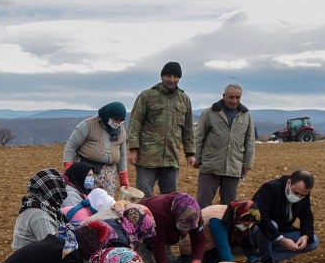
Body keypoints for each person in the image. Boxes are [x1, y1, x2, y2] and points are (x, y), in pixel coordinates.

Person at [128, 61, 195, 195]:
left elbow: (188, 129)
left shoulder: (184, 100)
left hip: (171, 158)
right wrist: (133, 150)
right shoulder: (147, 96)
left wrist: (190, 153)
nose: (172, 79)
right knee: (143, 196)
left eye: (175, 76)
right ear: (162, 76)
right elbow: (135, 124)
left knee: (170, 199)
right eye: (168, 76)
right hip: (147, 157)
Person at [193, 84, 256, 206]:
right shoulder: (209, 113)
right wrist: (197, 158)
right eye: (231, 97)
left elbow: (250, 142)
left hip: (233, 168)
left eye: (238, 97)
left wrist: (247, 164)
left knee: (229, 207)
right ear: (224, 96)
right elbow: (199, 138)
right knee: (202, 204)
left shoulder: (246, 116)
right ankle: (199, 225)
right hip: (210, 167)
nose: (234, 101)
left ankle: (224, 226)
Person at [251, 170, 319, 263]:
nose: (299, 197)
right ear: (289, 182)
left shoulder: (302, 192)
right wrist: (280, 239)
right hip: (260, 229)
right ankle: (266, 258)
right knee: (273, 224)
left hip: (281, 230)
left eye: (303, 195)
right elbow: (260, 216)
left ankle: (262, 258)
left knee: (313, 241)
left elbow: (307, 215)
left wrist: (305, 235)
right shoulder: (270, 188)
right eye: (296, 192)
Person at [141, 191, 207, 263]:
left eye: (188, 229)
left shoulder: (194, 213)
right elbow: (158, 243)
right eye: (182, 228)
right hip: (143, 233)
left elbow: (199, 240)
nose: (185, 232)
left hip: (167, 231)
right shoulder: (159, 212)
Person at [63, 102, 131, 187]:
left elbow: (122, 154)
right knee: (84, 196)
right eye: (115, 119)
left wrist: (123, 176)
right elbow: (71, 146)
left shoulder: (121, 131)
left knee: (105, 199)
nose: (117, 123)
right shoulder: (88, 125)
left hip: (109, 176)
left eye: (121, 120)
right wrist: (68, 168)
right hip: (86, 171)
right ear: (107, 115)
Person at [201, 200, 274, 263]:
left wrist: (255, 260)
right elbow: (222, 245)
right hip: (193, 246)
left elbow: (246, 243)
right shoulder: (218, 218)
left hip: (209, 246)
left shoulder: (237, 218)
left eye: (250, 223)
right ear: (241, 215)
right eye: (246, 223)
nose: (247, 226)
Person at [12, 169, 68, 251]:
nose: (63, 192)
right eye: (61, 188)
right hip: (29, 261)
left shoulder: (43, 207)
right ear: (54, 189)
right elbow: (52, 248)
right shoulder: (40, 215)